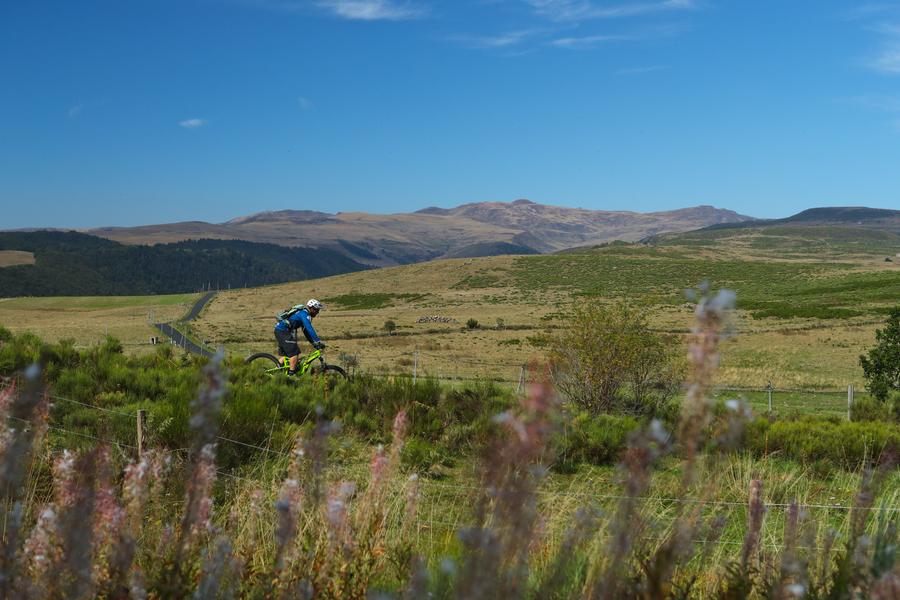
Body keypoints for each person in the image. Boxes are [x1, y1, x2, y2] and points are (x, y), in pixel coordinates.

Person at [274, 299, 326, 375]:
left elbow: (306, 331)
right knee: (294, 353)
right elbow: (309, 328)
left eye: (318, 310)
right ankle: (291, 376)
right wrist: (318, 341)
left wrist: (313, 343)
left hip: (280, 331)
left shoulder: (303, 313)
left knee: (287, 356)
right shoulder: (304, 314)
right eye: (316, 310)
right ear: (311, 308)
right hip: (283, 331)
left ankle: (275, 373)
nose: (317, 312)